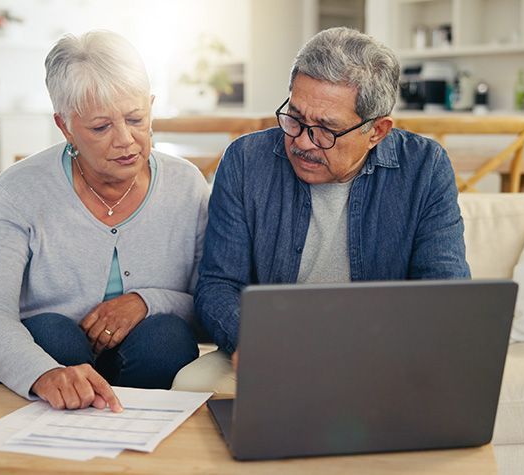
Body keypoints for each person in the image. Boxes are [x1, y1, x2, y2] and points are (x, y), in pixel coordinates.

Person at [173, 27, 470, 393]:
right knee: (191, 384)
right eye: (295, 117)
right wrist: (255, 341)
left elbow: (445, 292)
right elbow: (219, 285)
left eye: (326, 130)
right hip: (270, 348)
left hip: (382, 355)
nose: (300, 142)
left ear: (377, 130)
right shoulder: (246, 161)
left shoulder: (425, 168)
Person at [0, 30, 209, 411]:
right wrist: (43, 373)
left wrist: (147, 301)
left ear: (152, 107)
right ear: (65, 126)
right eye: (101, 127)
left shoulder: (186, 185)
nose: (126, 139)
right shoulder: (16, 191)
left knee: (167, 338)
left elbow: (210, 302)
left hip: (140, 360)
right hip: (41, 355)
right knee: (54, 335)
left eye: (136, 118)